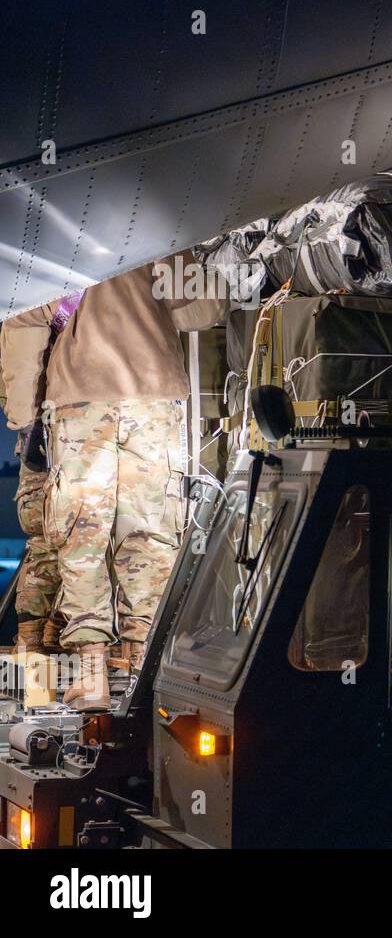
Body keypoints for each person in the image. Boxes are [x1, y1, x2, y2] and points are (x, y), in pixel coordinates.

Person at [43, 250, 223, 710]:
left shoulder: (55, 231)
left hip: (80, 400)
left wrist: (22, 410)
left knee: (81, 535)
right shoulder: (161, 229)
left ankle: (93, 676)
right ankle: (144, 668)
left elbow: (25, 321)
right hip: (152, 398)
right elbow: (202, 311)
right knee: (149, 533)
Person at [0, 298, 62, 653]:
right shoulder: (32, 304)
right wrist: (28, 428)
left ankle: (42, 635)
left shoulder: (30, 300)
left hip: (43, 428)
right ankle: (36, 637)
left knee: (56, 538)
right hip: (46, 431)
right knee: (52, 536)